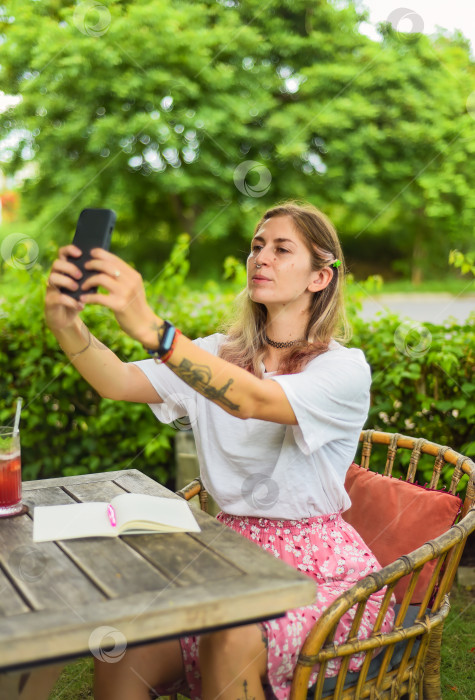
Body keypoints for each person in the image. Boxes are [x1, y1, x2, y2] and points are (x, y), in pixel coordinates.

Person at [45, 201, 395, 700]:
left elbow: (253, 400)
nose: (261, 258)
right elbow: (118, 381)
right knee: (123, 646)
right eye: (256, 246)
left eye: (280, 248)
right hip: (222, 555)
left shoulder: (342, 370)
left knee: (230, 631)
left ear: (320, 277)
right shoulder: (212, 355)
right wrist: (67, 325)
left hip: (315, 571)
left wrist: (154, 330)